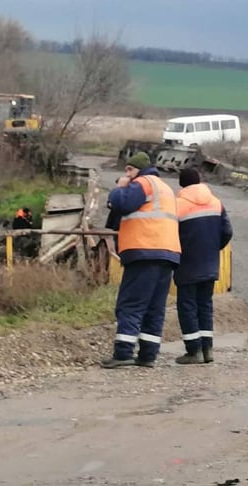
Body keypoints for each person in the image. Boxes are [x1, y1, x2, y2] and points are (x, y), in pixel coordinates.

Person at [101, 151, 181, 369]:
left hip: (144, 250)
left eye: (129, 169)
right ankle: (148, 355)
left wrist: (120, 186)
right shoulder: (165, 188)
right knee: (154, 307)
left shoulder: (142, 183)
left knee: (131, 304)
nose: (126, 174)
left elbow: (121, 202)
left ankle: (123, 353)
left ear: (139, 169)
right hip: (168, 253)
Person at [174, 167, 233, 364]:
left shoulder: (178, 205)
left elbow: (170, 234)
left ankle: (194, 351)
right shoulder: (216, 202)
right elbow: (227, 231)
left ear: (182, 184)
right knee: (205, 305)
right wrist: (213, 248)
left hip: (187, 263)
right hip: (210, 264)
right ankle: (208, 350)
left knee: (187, 306)